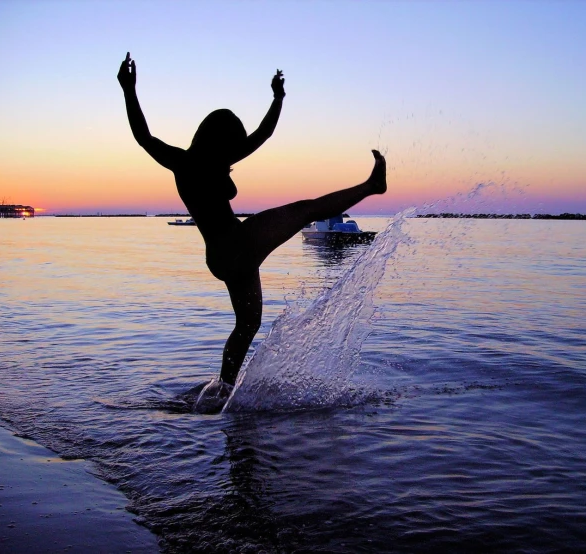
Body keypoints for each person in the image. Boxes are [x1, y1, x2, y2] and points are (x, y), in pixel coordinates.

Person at [117, 52, 387, 400]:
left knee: (247, 325)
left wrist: (128, 90)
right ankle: (371, 187)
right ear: (222, 138)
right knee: (307, 210)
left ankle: (223, 390)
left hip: (221, 255)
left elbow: (145, 136)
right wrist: (278, 97)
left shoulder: (184, 162)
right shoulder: (202, 161)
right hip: (237, 244)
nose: (236, 150)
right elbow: (261, 134)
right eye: (233, 141)